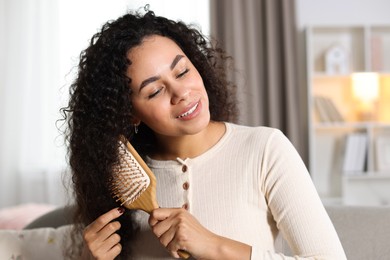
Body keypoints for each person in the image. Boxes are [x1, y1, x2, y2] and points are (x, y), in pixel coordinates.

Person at [61, 9, 347, 260]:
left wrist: (213, 246)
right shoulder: (124, 179)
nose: (181, 93)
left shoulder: (265, 150)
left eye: (182, 71)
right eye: (155, 91)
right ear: (129, 113)